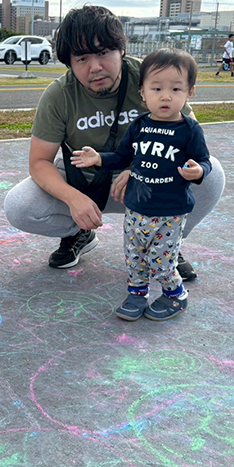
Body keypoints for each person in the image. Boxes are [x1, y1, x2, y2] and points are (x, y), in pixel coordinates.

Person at [3, 5, 225, 279]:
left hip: (148, 184)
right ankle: (79, 234)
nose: (95, 67)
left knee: (211, 173)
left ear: (120, 49)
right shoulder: (59, 95)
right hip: (86, 183)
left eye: (103, 53)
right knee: (19, 206)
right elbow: (39, 162)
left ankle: (167, 242)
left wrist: (140, 170)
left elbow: (191, 144)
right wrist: (74, 200)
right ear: (69, 63)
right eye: (82, 58)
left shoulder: (150, 77)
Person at [71, 48, 211, 321]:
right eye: (157, 88)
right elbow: (122, 157)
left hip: (170, 211)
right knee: (134, 257)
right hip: (136, 208)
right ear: (143, 92)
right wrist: (98, 158)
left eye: (176, 89)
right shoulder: (139, 126)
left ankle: (175, 295)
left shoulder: (190, 130)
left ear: (190, 93)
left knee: (161, 260)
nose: (166, 96)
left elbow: (204, 160)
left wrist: (199, 171)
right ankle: (137, 294)